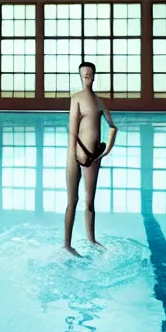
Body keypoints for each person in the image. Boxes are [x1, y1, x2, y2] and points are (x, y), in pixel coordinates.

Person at [64, 61, 117, 257]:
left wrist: (105, 151)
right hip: (75, 155)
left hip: (94, 157)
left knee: (90, 201)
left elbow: (113, 127)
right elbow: (72, 131)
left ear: (94, 76)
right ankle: (67, 244)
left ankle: (91, 239)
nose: (87, 75)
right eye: (83, 73)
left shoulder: (101, 102)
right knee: (73, 200)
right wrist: (73, 156)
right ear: (80, 76)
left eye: (89, 73)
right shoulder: (76, 98)